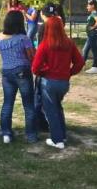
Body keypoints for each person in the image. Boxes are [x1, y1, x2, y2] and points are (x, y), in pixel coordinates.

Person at [32, 17, 84, 149]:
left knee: (51, 111)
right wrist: (70, 72)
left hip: (49, 82)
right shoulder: (69, 43)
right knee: (58, 107)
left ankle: (57, 140)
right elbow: (80, 62)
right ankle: (62, 134)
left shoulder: (44, 45)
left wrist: (45, 71)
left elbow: (35, 68)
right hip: (64, 82)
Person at [0, 11, 36, 143]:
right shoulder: (23, 38)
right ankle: (30, 135)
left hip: (6, 72)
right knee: (28, 104)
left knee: (7, 103)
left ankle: (6, 133)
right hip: (22, 72)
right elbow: (32, 57)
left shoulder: (0, 38)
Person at [83, 0, 97, 74]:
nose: (87, 6)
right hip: (91, 35)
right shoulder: (93, 13)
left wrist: (93, 27)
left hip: (93, 35)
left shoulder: (94, 13)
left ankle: (95, 67)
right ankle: (81, 65)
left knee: (93, 50)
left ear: (93, 6)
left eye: (88, 5)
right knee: (85, 50)